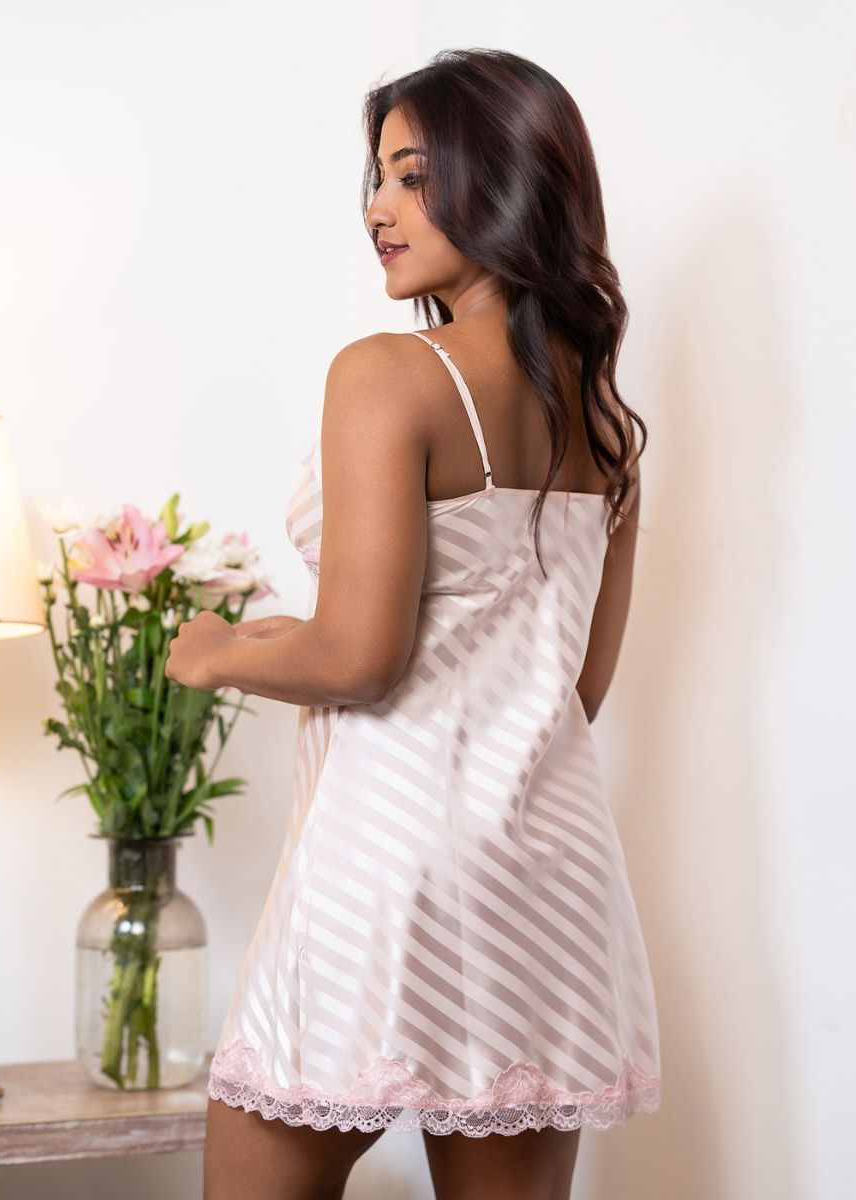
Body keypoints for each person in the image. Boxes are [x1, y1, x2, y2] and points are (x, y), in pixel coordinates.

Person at [202, 47, 660, 1200]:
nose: (376, 209)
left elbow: (361, 655)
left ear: (502, 181)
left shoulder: (387, 375)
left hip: (387, 863)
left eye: (411, 177)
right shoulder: (607, 427)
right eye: (376, 179)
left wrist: (216, 653)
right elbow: (575, 692)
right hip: (546, 874)